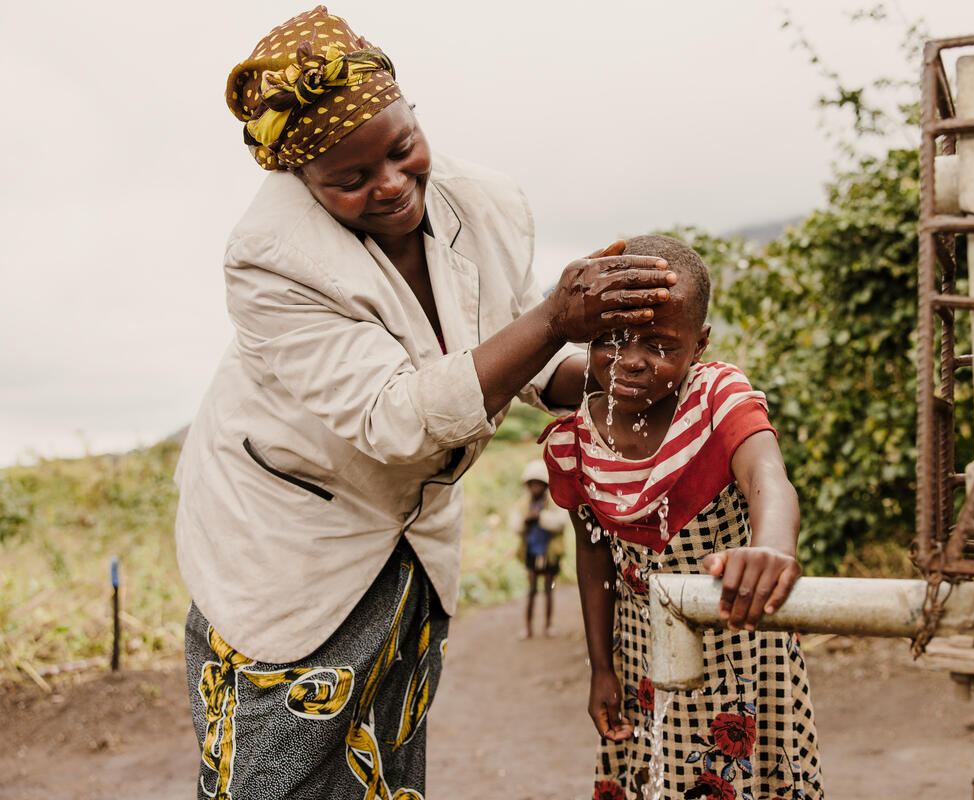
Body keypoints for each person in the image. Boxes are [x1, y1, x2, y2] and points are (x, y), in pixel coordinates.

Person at [173, 7, 676, 799]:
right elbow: (396, 419)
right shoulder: (267, 258)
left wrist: (631, 369)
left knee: (387, 765)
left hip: (407, 543)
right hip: (289, 541)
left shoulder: (488, 204)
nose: (393, 183)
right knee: (274, 775)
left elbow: (520, 363)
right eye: (351, 179)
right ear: (300, 179)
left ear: (413, 117)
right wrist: (553, 319)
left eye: (403, 148)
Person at [542, 235, 824, 800]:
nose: (630, 359)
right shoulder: (575, 438)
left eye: (659, 344)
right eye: (610, 339)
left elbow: (768, 477)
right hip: (640, 651)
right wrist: (602, 665)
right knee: (656, 776)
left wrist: (771, 548)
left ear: (699, 345)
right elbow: (593, 552)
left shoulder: (717, 397)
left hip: (741, 642)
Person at [510, 459, 568, 638]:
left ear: (545, 485)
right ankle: (528, 627)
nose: (535, 487)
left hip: (549, 553)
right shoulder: (523, 504)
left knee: (548, 589)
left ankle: (548, 625)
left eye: (539, 484)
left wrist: (540, 517)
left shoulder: (554, 502)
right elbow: (514, 524)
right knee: (532, 589)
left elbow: (561, 522)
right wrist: (526, 520)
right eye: (532, 484)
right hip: (531, 552)